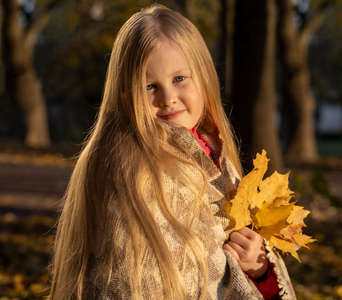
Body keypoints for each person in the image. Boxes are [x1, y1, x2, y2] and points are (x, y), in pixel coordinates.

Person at [50, 4, 296, 300]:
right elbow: (130, 282)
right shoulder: (128, 169)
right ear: (125, 93)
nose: (168, 99)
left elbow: (225, 264)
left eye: (179, 79)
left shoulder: (213, 151)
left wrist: (259, 269)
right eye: (150, 86)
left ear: (204, 77)